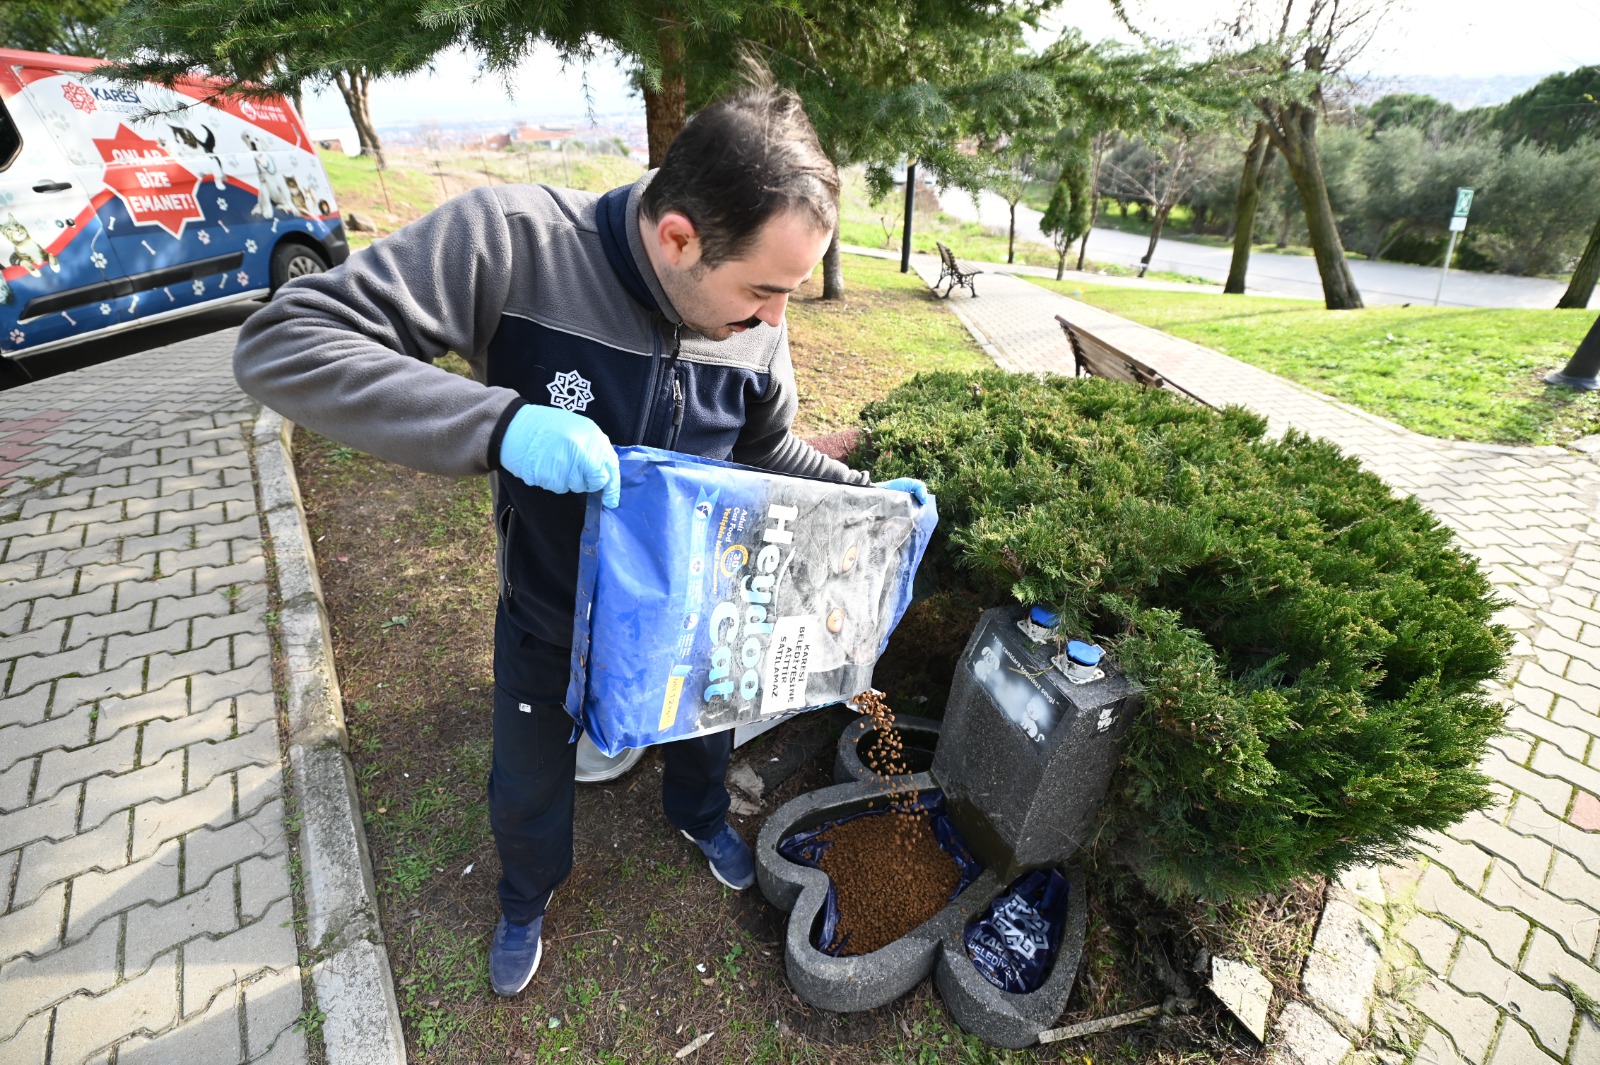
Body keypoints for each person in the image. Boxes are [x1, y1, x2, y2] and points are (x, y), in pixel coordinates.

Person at [233, 69, 925, 998]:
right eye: (764, 289)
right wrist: (502, 424)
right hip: (549, 609)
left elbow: (765, 449)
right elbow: (286, 342)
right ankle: (524, 896)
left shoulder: (759, 322)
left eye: (791, 292)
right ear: (679, 237)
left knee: (705, 734)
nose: (776, 319)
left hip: (698, 614)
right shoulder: (512, 245)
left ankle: (699, 812)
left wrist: (871, 502)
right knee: (528, 781)